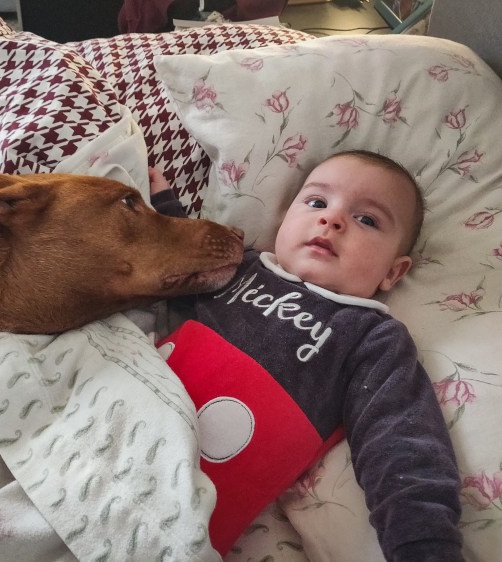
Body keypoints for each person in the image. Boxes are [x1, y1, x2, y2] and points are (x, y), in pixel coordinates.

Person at [149, 150, 464, 561]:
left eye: (367, 220)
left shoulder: (371, 338)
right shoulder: (241, 265)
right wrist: (163, 207)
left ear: (393, 272)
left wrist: (425, 545)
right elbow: (178, 261)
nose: (332, 219)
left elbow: (402, 444)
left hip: (178, 513)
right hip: (124, 411)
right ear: (284, 221)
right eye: (317, 202)